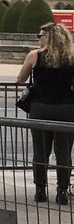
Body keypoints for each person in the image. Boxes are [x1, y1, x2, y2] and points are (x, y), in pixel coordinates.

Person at [16, 22, 74, 205]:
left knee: (40, 151)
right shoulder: (71, 57)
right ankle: (62, 191)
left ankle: (40, 190)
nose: (38, 39)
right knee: (64, 152)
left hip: (40, 107)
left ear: (47, 37)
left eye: (40, 36)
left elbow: (20, 79)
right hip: (66, 108)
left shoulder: (35, 56)